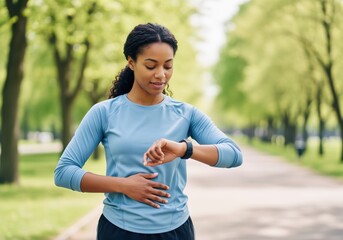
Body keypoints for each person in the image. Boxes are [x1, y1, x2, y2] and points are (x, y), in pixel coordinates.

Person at [54, 23, 243, 240]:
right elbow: (64, 172)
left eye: (168, 66)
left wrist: (184, 149)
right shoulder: (104, 113)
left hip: (175, 230)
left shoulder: (186, 114)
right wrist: (124, 186)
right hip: (118, 230)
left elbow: (234, 155)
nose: (160, 75)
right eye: (151, 66)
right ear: (131, 62)